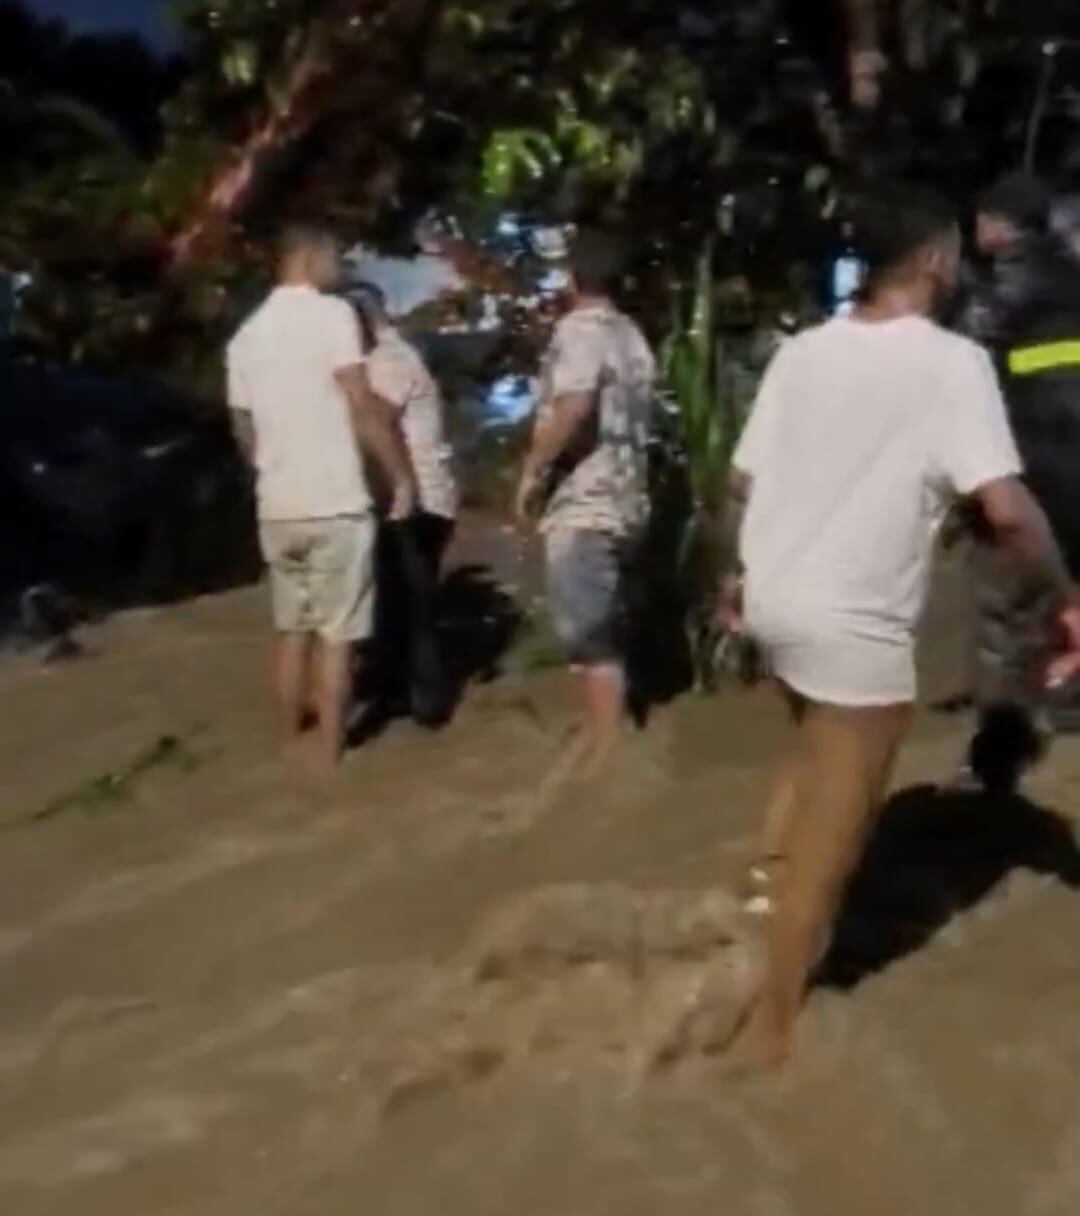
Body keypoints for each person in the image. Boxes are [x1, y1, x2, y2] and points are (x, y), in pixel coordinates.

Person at [719, 184, 1080, 1070]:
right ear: (930, 260)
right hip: (853, 620)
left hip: (775, 597)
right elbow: (1007, 508)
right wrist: (1066, 591)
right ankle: (771, 1029)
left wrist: (733, 580)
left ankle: (753, 908)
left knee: (810, 755)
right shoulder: (952, 363)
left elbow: (740, 485)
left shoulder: (802, 351)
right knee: (836, 840)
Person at [227, 226, 416, 772]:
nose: (339, 267)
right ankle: (330, 753)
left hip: (278, 505)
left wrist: (268, 466)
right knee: (337, 637)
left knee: (292, 630)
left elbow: (243, 425)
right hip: (335, 501)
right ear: (307, 257)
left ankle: (288, 742)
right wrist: (399, 476)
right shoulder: (332, 316)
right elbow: (360, 400)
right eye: (333, 257)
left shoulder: (247, 335)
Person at [515, 228, 656, 774]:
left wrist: (533, 471)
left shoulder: (579, 332)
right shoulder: (630, 334)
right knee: (599, 618)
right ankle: (605, 732)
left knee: (585, 629)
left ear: (573, 278)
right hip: (626, 492)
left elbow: (574, 405)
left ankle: (607, 745)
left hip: (586, 497)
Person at [959, 172, 1080, 757]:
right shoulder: (1074, 274)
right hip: (1075, 450)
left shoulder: (999, 288)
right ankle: (1070, 695)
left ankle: (1007, 719)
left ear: (1000, 224)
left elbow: (965, 359)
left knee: (1012, 591)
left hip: (1028, 451)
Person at [346, 280, 459, 725]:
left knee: (410, 605)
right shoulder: (384, 358)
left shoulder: (389, 361)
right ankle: (403, 691)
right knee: (397, 601)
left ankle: (426, 701)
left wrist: (346, 390)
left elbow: (379, 422)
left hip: (416, 500)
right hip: (408, 497)